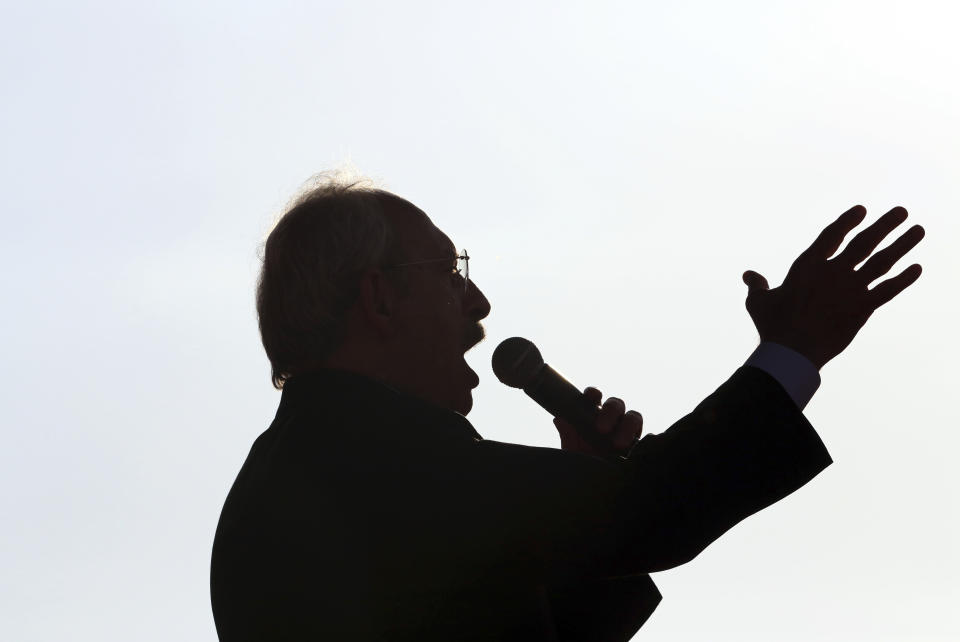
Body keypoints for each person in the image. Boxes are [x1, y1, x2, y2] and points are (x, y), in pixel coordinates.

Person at [210, 173, 925, 641]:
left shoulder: (305, 469)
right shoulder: (366, 464)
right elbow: (659, 506)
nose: (479, 305)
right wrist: (795, 351)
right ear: (381, 297)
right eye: (450, 272)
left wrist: (568, 502)